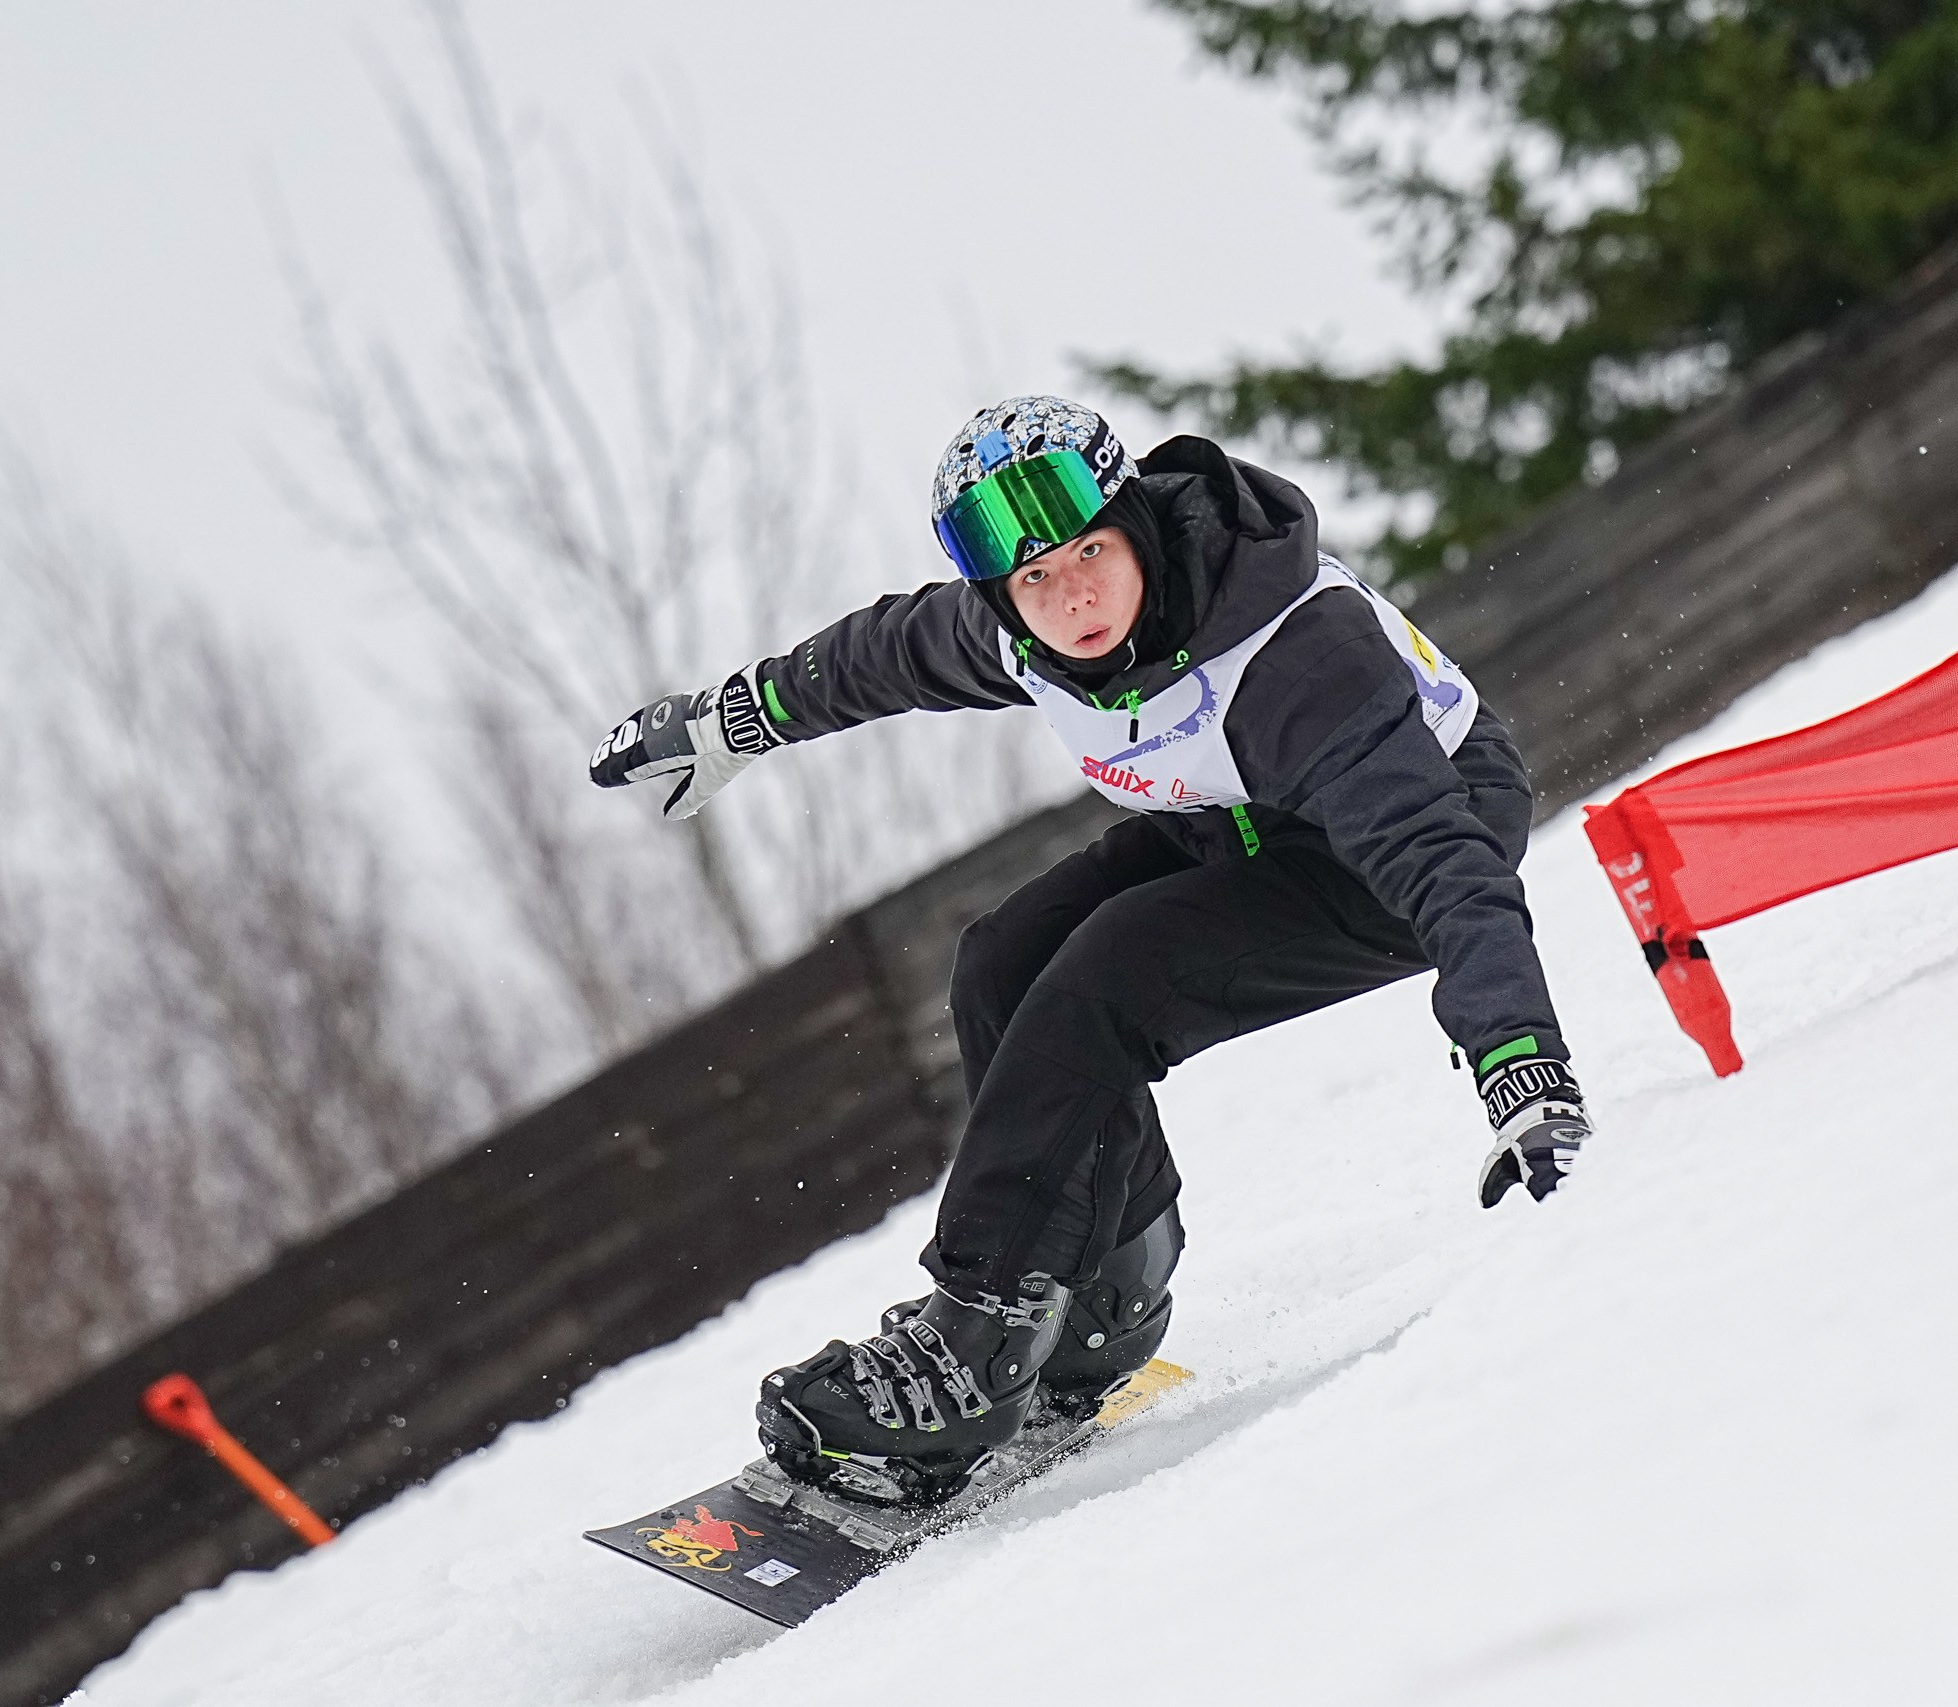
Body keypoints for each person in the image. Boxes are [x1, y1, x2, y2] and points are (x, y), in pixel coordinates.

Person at [590, 396, 1591, 1501]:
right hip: (1246, 818)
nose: (1071, 599)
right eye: (1035, 582)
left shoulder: (1295, 655)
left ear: (1136, 525)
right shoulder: (1028, 636)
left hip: (1397, 845)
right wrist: (737, 717)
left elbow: (1442, 864)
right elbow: (882, 655)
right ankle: (1106, 1295)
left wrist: (1520, 1060)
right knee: (1002, 961)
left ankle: (972, 1345)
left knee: (1107, 980)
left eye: (1089, 556)